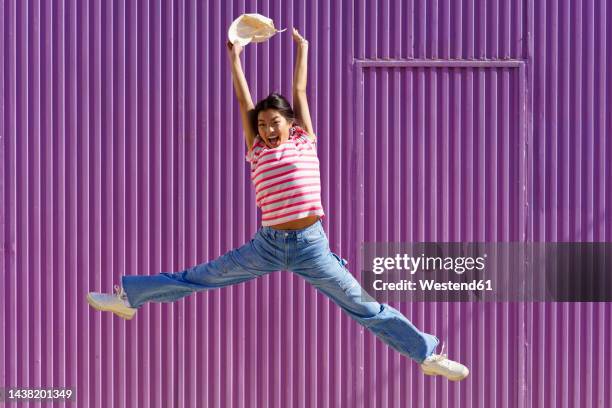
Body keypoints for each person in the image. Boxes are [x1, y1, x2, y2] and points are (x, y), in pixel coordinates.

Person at [87, 28, 469, 382]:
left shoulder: (305, 142)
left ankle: (426, 354)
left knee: (364, 307)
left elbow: (299, 92)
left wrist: (302, 49)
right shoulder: (256, 149)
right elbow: (243, 98)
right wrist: (234, 55)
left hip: (311, 247)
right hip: (267, 247)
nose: (268, 130)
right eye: (263, 124)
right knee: (198, 277)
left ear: (290, 124)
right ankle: (128, 297)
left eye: (275, 123)